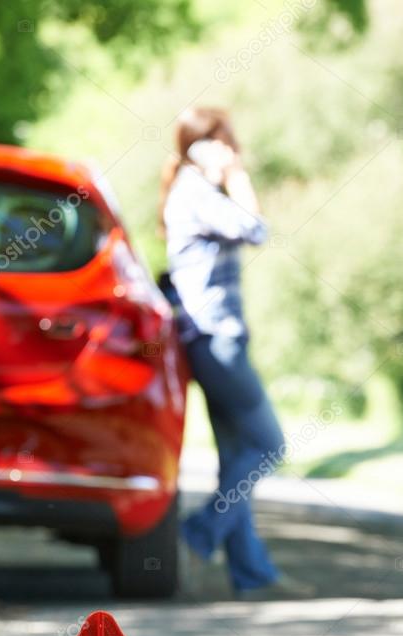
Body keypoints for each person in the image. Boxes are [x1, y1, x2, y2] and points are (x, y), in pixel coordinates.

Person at [160, 106, 310, 599]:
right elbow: (256, 229)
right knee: (269, 446)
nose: (235, 150)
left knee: (235, 459)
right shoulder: (196, 192)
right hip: (215, 338)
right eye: (226, 142)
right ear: (202, 145)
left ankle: (252, 575)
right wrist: (237, 176)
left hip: (208, 338)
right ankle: (198, 534)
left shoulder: (191, 191)